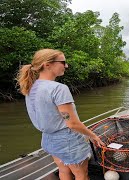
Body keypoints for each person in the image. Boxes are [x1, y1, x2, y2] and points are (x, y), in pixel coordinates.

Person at [16, 49, 105, 180]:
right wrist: (93, 136)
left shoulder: (30, 87)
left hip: (48, 140)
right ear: (47, 65)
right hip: (67, 141)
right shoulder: (59, 88)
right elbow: (72, 123)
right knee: (81, 175)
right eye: (63, 62)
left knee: (64, 170)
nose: (66, 65)